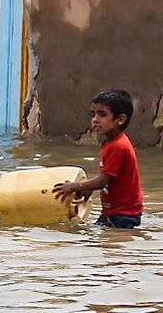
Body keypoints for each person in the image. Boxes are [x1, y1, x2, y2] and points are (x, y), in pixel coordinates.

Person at [53, 89, 144, 229]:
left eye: (102, 115)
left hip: (123, 214)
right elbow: (108, 176)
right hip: (114, 211)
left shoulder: (118, 146)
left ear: (120, 119)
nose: (95, 120)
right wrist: (89, 188)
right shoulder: (110, 143)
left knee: (111, 247)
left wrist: (74, 186)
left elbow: (103, 181)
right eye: (93, 114)